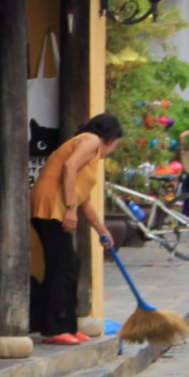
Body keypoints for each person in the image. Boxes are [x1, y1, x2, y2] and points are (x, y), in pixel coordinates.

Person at [29, 113, 120, 344]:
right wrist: (69, 208)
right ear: (110, 138)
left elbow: (84, 200)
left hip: (58, 206)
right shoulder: (91, 140)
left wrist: (101, 229)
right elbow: (69, 167)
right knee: (63, 263)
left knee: (69, 263)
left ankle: (66, 325)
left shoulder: (90, 151)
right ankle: (54, 328)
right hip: (50, 207)